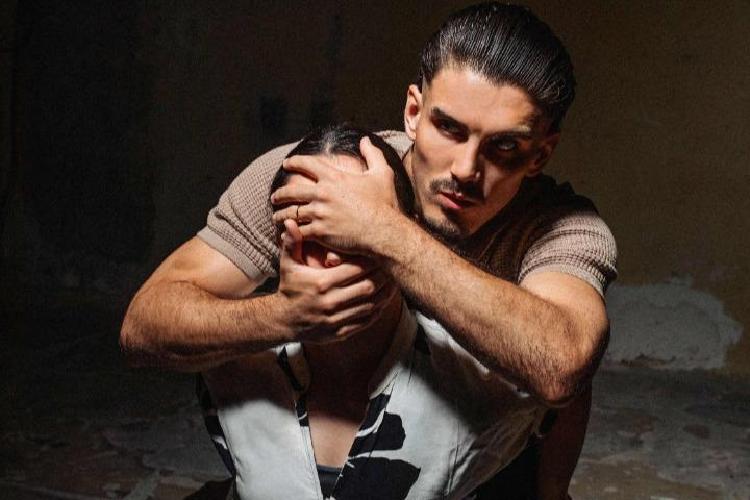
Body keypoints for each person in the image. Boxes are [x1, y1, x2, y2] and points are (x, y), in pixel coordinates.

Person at [121, 3, 617, 498]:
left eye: (504, 147)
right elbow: (143, 327)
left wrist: (384, 232)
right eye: (449, 128)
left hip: (486, 471)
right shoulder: (320, 173)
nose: (467, 169)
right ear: (413, 111)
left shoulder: (561, 226)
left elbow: (562, 364)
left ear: (540, 153)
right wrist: (284, 316)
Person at [198, 124, 555, 499]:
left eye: (358, 233)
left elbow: (563, 379)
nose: (333, 257)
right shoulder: (231, 368)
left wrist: (553, 489)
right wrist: (278, 316)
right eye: (310, 231)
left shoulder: (478, 384)